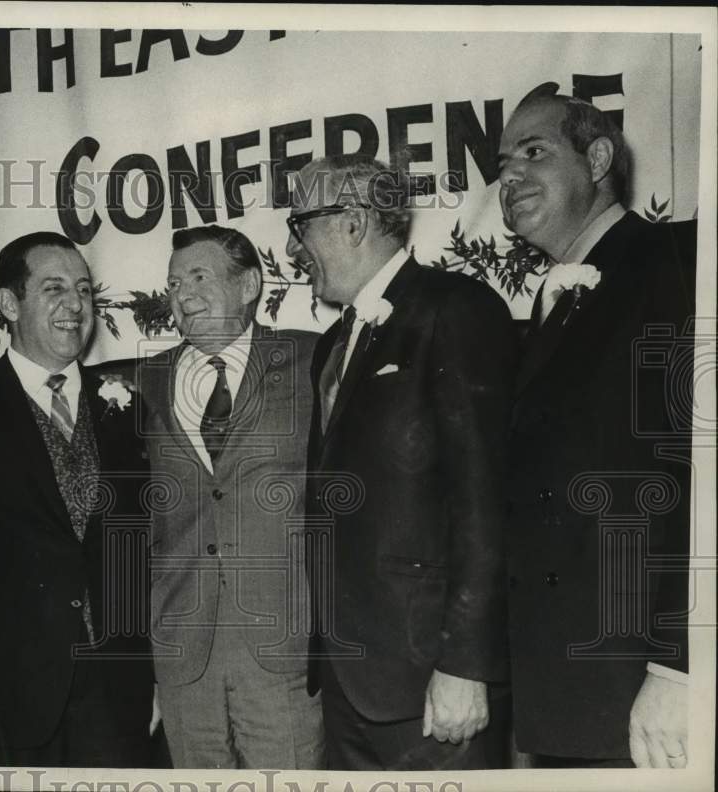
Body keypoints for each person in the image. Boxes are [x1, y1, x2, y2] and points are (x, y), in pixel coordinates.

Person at [288, 154, 516, 770]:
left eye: (299, 224)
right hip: (349, 685)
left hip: (431, 686)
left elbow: (485, 500)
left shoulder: (456, 308)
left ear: (354, 222)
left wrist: (464, 665)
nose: (292, 248)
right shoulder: (334, 345)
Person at [497, 82, 696, 769]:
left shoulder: (678, 263)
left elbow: (700, 474)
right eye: (502, 164)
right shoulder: (560, 296)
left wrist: (680, 668)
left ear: (599, 156)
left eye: (533, 152)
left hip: (648, 695)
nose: (511, 176)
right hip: (572, 693)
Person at [0, 231, 154, 767]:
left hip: (120, 695)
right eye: (53, 289)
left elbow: (146, 550)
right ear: (7, 302)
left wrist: (159, 676)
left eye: (83, 289)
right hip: (10, 701)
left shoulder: (126, 402)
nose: (75, 304)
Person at [140, 225, 324, 769]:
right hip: (181, 650)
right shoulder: (147, 378)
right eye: (173, 283)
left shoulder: (312, 360)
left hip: (279, 644)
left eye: (199, 276)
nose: (182, 294)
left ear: (248, 286)